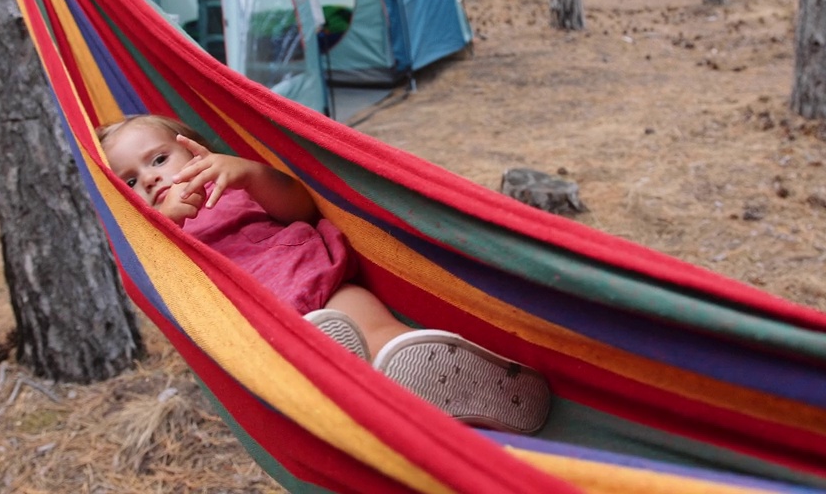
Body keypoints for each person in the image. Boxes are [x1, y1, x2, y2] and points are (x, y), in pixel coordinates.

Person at [97, 114, 551, 434]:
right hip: (267, 321)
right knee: (324, 348)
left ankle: (448, 378)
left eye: (159, 160)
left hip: (314, 278)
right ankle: (377, 387)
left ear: (195, 149)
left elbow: (298, 206)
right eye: (131, 182)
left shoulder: (229, 183)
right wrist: (164, 226)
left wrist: (251, 173)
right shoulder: (152, 242)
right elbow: (161, 283)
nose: (151, 180)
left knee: (381, 335)